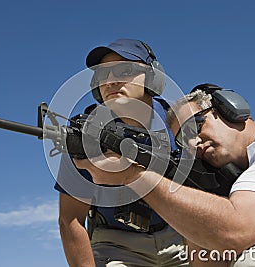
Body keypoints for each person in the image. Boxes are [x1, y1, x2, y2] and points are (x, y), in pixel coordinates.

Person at [75, 85, 255, 266]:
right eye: (183, 139)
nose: (192, 143)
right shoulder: (228, 176)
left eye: (195, 126)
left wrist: (134, 177)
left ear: (229, 109)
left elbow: (239, 231)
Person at [55, 39, 189, 266]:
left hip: (183, 235)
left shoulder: (181, 121)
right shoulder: (83, 135)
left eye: (125, 70)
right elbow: (70, 219)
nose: (110, 81)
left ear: (152, 77)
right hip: (116, 245)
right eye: (102, 76)